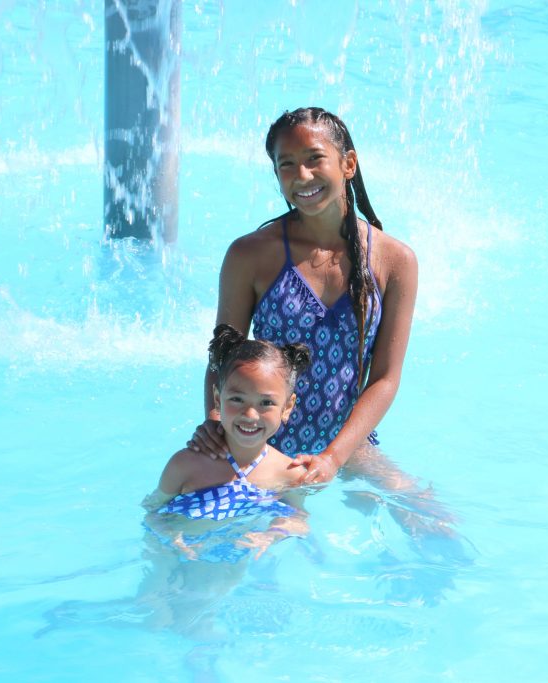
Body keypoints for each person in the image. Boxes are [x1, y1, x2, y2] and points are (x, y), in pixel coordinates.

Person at [187, 106, 418, 486]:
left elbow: (385, 379)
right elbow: (223, 355)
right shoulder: (251, 255)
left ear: (348, 164)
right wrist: (215, 423)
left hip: (347, 444)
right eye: (287, 165)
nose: (302, 176)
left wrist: (332, 457)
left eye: (315, 159)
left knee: (429, 520)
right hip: (256, 443)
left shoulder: (395, 261)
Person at [144, 323, 313, 560]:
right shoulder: (185, 465)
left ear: (287, 407)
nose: (250, 415)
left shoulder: (290, 474)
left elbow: (299, 519)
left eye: (266, 403)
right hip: (178, 557)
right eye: (237, 399)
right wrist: (171, 536)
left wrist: (271, 535)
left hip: (237, 562)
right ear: (217, 399)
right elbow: (152, 512)